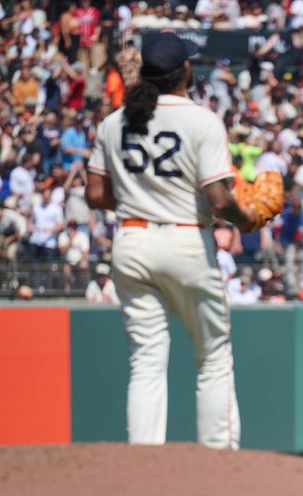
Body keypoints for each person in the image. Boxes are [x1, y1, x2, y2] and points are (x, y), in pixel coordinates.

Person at [86, 31, 257, 449]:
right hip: (186, 239)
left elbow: (94, 195)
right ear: (185, 71)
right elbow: (219, 199)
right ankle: (219, 461)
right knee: (213, 357)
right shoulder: (201, 119)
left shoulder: (115, 120)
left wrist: (138, 198)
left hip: (132, 241)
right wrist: (246, 218)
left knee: (146, 362)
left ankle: (145, 463)